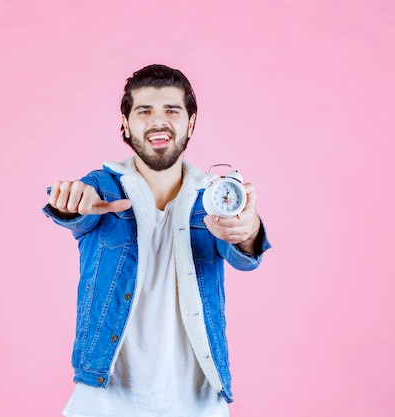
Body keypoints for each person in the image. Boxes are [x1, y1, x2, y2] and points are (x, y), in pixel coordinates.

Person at [43, 64, 271, 417]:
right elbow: (74, 207)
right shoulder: (102, 188)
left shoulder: (214, 196)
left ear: (191, 122)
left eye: (172, 110)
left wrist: (249, 229)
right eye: (144, 111)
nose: (158, 121)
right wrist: (71, 200)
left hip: (198, 403)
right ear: (125, 122)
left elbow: (243, 253)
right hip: (104, 402)